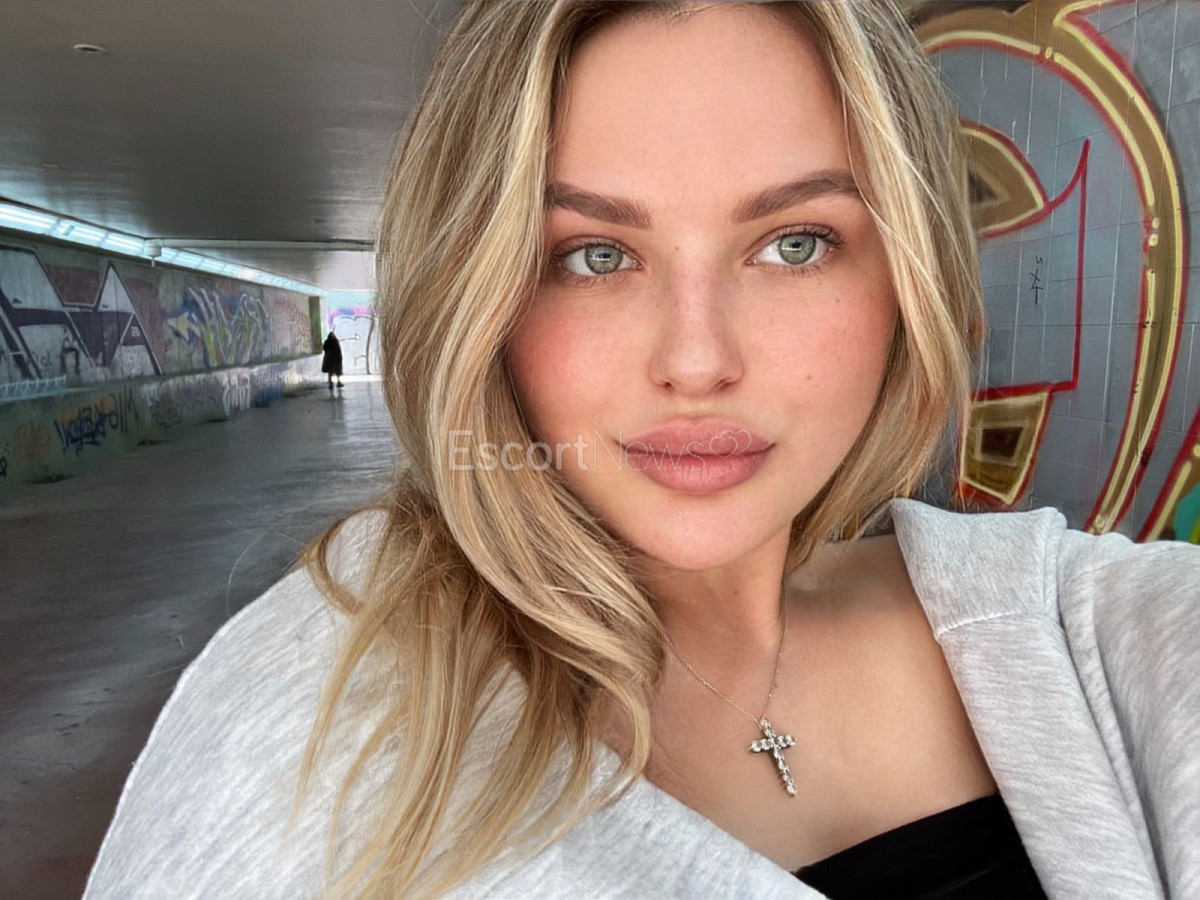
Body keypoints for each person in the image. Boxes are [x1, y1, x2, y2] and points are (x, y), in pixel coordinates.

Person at [83, 2, 1199, 898]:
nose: (697, 360)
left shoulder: (1084, 633)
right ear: (481, 299)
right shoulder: (323, 712)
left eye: (794, 243)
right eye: (594, 256)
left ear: (908, 277)